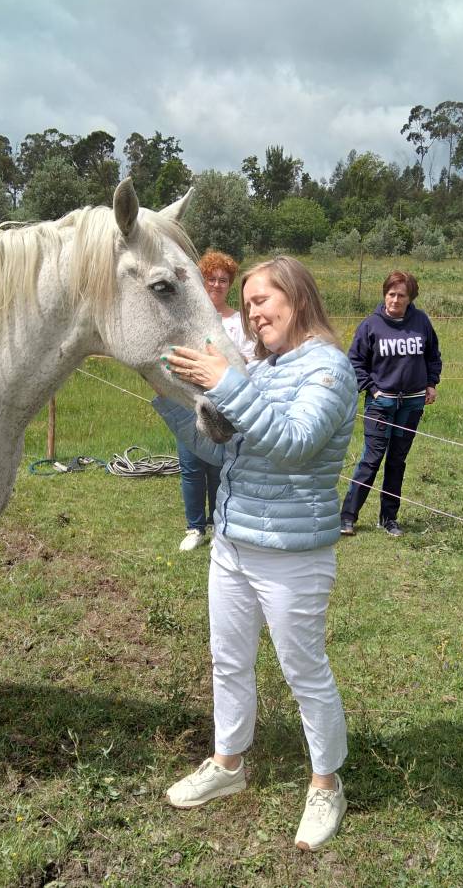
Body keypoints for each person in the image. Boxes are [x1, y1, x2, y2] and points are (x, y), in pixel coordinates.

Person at [152, 255, 356, 851]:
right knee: (229, 660)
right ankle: (227, 764)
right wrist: (169, 394)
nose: (252, 312)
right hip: (232, 544)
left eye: (261, 300)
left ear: (296, 297)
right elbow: (225, 454)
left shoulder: (329, 368)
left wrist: (227, 381)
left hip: (291, 554)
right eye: (247, 304)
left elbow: (293, 444)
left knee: (304, 671)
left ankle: (325, 783)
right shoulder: (264, 370)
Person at [340, 270, 442, 537]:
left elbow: (433, 355)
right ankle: (348, 516)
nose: (395, 300)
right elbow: (355, 362)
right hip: (381, 404)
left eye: (401, 295)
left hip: (411, 405)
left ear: (410, 298)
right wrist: (373, 391)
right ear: (385, 294)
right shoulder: (370, 325)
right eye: (391, 294)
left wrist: (431, 383)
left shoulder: (421, 322)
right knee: (371, 459)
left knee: (397, 461)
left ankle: (389, 518)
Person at [175, 251, 256, 552]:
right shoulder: (188, 318)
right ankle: (194, 527)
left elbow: (248, 359)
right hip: (191, 400)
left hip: (226, 404)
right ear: (202, 280)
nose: (217, 284)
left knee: (220, 467)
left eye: (223, 280)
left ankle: (218, 523)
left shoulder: (238, 322)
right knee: (191, 465)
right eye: (211, 278)